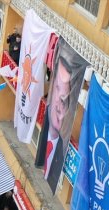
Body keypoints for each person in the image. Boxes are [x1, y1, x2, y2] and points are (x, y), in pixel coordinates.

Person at [42, 56, 72, 192]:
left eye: (64, 101)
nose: (58, 106)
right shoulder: (44, 133)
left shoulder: (62, 148)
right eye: (57, 89)